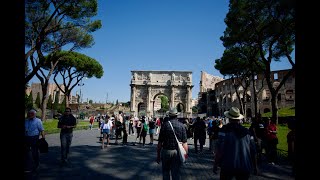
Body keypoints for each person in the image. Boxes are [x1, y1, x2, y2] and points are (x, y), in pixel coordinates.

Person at [214, 107, 258, 180]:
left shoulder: (224, 130)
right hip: (244, 165)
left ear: (229, 118)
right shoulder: (247, 132)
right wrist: (255, 166)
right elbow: (253, 151)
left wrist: (216, 164)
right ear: (239, 119)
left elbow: (220, 150)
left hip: (227, 165)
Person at [156, 107, 188, 180]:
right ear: (177, 115)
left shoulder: (164, 125)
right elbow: (185, 143)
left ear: (169, 115)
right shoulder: (182, 126)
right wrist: (185, 155)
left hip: (166, 151)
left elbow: (160, 142)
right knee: (176, 173)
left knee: (166, 172)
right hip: (177, 152)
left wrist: (158, 155)